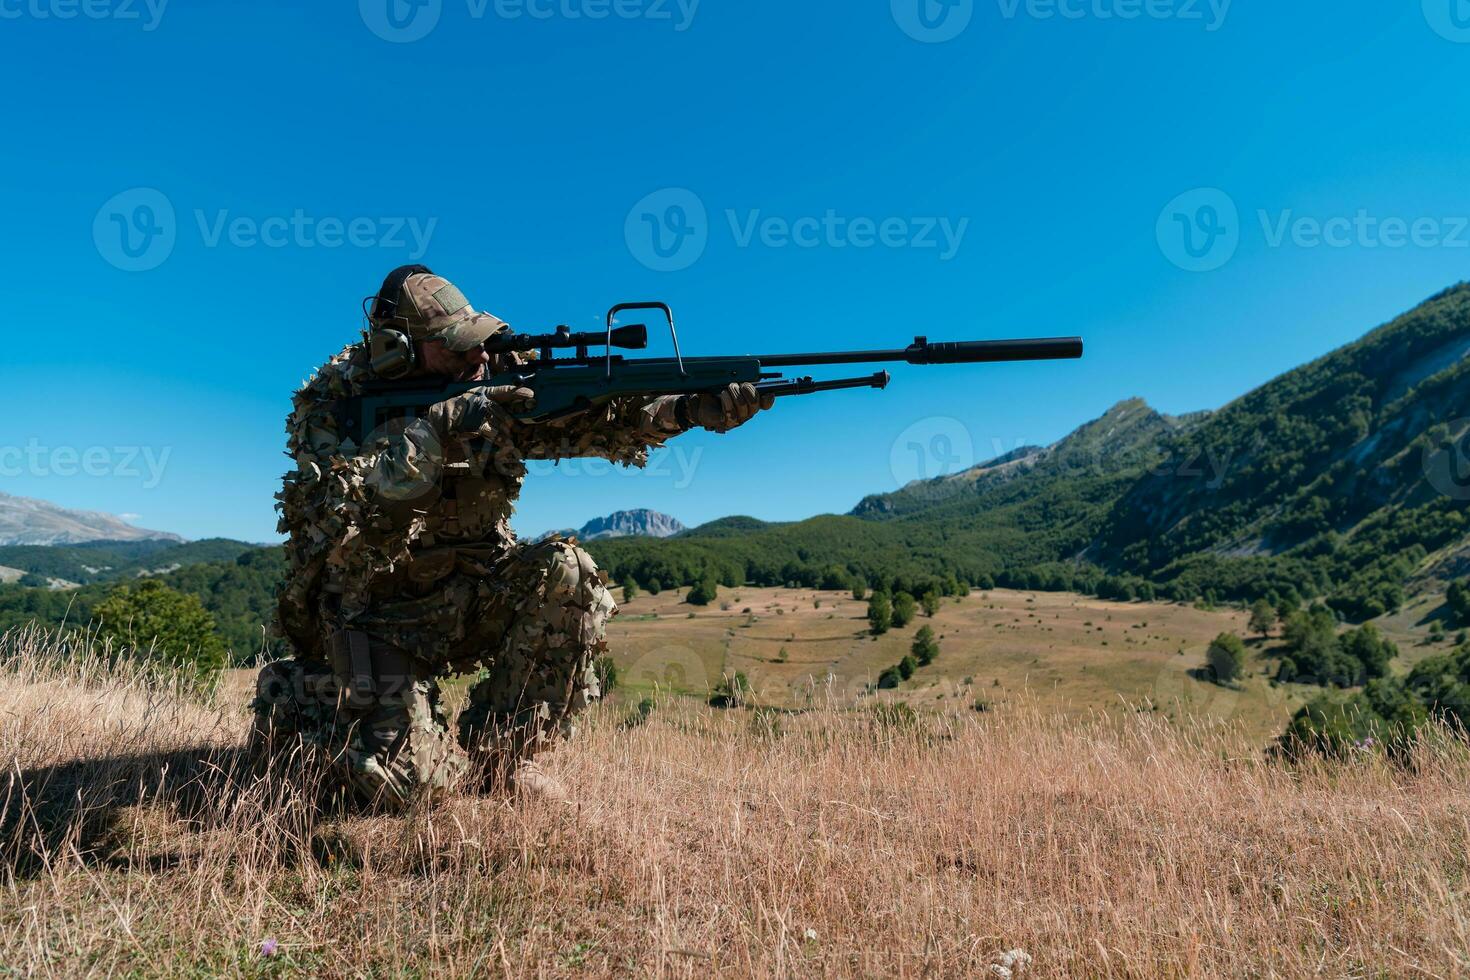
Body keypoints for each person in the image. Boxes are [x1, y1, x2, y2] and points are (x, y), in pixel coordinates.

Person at [250, 266, 771, 808]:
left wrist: (686, 410)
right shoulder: (333, 402)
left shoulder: (492, 373)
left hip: (474, 589)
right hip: (376, 610)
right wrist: (432, 433)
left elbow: (593, 420)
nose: (477, 359)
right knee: (408, 791)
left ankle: (501, 761)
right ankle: (297, 699)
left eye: (477, 345)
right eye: (456, 350)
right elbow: (339, 527)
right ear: (396, 350)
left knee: (568, 571)